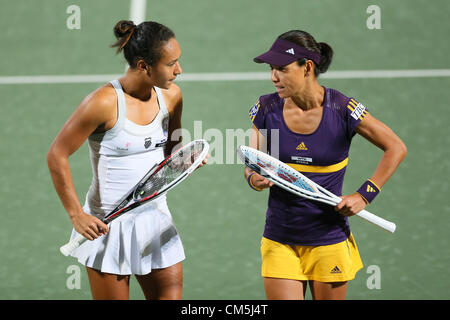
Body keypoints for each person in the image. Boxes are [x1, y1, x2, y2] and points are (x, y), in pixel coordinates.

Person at [47, 20, 205, 300]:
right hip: (108, 226)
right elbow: (57, 154)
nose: (179, 70)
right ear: (144, 65)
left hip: (155, 219)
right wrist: (76, 215)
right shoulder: (102, 103)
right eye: (171, 64)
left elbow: (170, 155)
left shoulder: (172, 97)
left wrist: (185, 161)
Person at [245, 30, 407, 300]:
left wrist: (364, 195)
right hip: (279, 238)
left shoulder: (342, 109)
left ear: (307, 67)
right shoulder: (265, 108)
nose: (273, 76)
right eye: (272, 69)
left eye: (282, 69)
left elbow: (396, 147)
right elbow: (253, 163)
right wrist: (253, 179)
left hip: (328, 239)